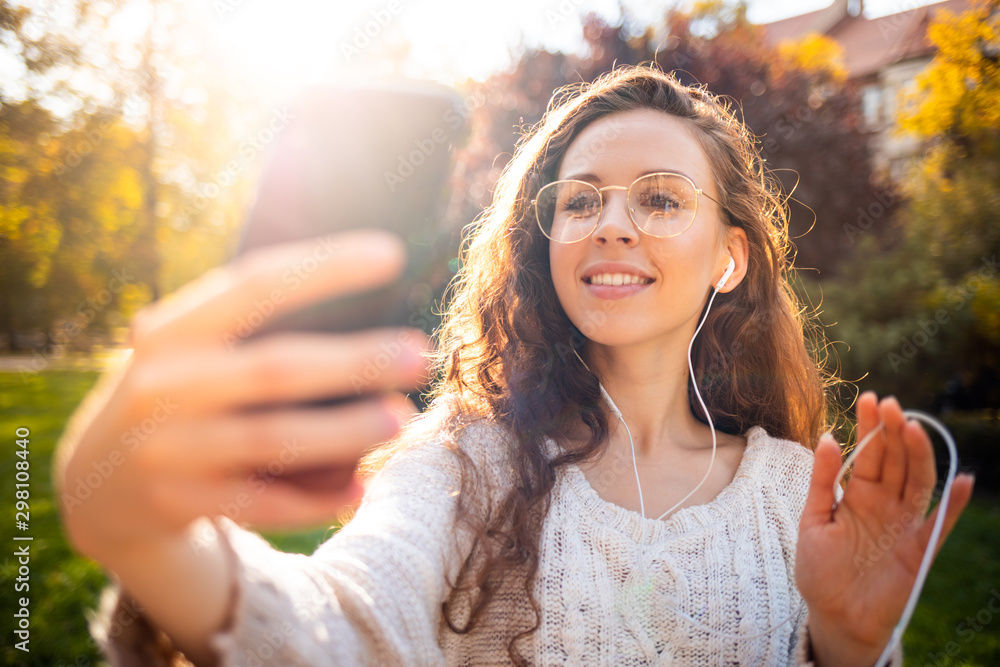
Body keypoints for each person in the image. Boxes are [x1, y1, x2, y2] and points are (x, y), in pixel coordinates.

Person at [55, 65, 974, 666]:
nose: (612, 222)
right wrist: (148, 539)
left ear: (731, 258)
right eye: (581, 202)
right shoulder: (468, 459)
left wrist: (853, 645)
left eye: (659, 198)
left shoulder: (790, 490)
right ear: (551, 247)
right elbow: (341, 623)